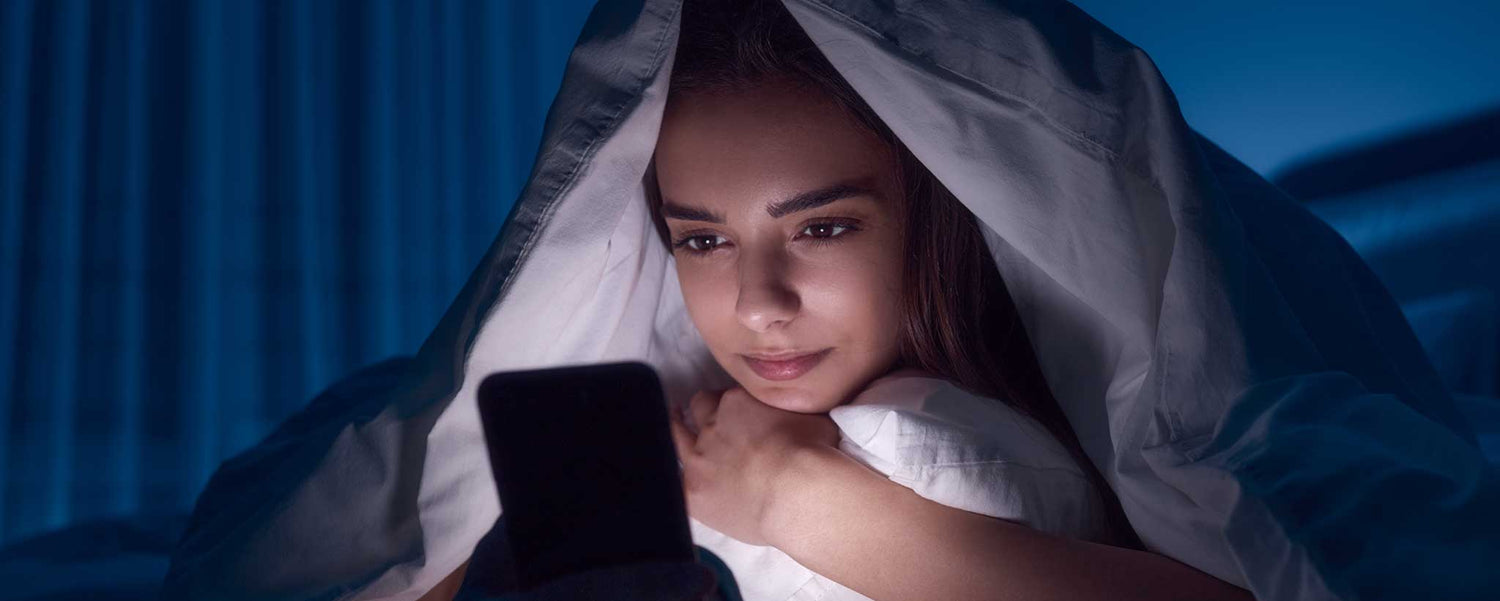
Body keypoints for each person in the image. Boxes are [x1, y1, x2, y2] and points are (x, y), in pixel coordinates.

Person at [163, 1, 1499, 600]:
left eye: (825, 224)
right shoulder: (683, 386)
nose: (757, 301)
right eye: (698, 235)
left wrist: (805, 498)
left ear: (939, 207)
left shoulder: (963, 418)